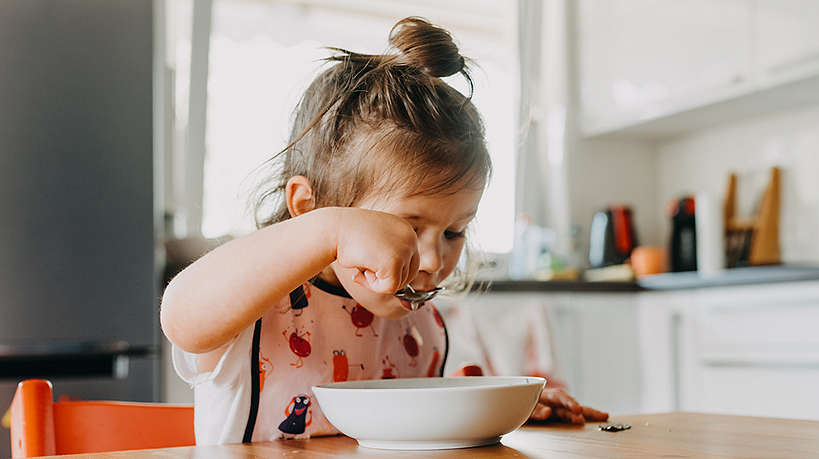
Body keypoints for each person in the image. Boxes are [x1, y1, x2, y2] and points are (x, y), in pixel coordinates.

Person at [160, 17, 607, 445]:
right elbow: (181, 317)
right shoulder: (257, 302)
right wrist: (330, 231)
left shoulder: (416, 325)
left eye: (454, 233)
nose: (433, 260)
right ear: (309, 208)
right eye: (406, 229)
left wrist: (492, 407)